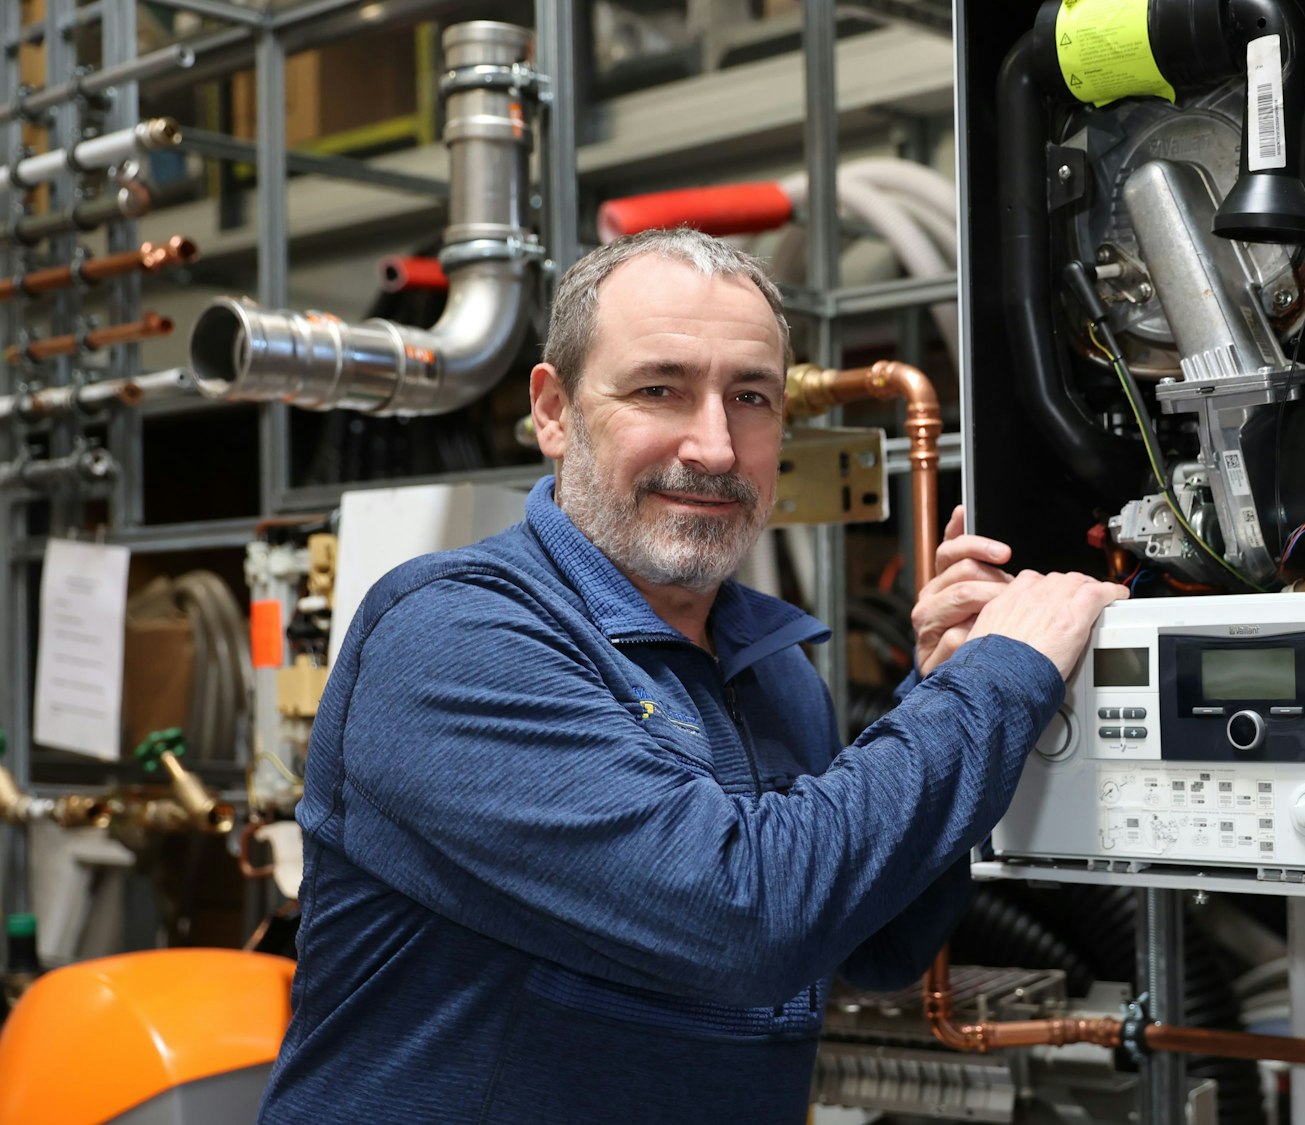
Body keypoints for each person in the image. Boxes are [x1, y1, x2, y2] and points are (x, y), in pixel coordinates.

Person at [256, 227, 1129, 1123]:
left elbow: (881, 943)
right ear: (554, 411)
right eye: (660, 389)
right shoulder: (455, 634)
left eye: (749, 396)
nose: (713, 447)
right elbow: (744, 915)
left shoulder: (769, 664)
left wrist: (942, 678)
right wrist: (995, 681)